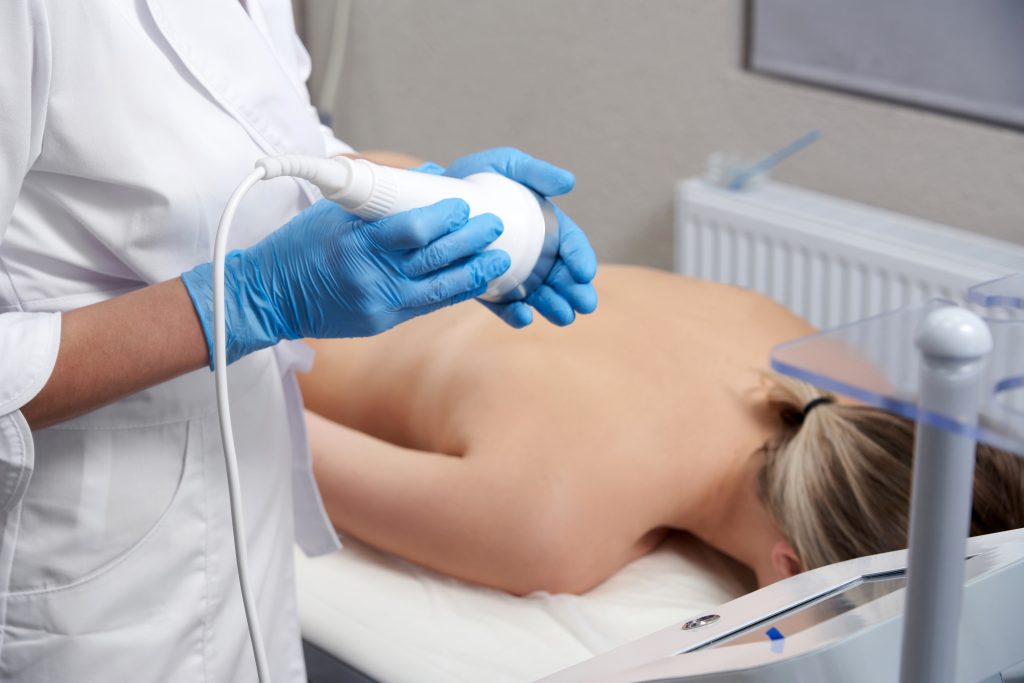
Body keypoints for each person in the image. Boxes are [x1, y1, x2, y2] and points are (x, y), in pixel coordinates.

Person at [0, 2, 596, 681]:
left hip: (238, 510)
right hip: (82, 565)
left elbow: (261, 142)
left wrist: (423, 200)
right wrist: (248, 299)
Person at [302, 265, 1024, 595]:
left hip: (364, 180)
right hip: (239, 267)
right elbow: (280, 437)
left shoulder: (817, 361)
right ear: (791, 573)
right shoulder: (552, 527)